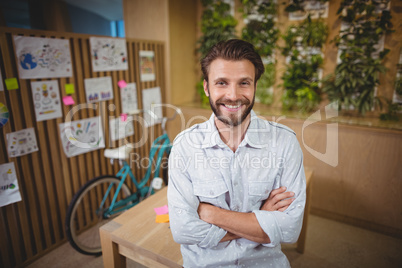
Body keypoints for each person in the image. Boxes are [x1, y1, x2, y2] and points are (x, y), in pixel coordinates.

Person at [168, 39, 306, 267]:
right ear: (206, 87)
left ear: (255, 87)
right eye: (221, 82)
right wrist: (262, 221)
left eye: (244, 83)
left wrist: (212, 215)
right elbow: (183, 230)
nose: (233, 95)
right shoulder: (185, 146)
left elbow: (290, 230)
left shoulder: (284, 143)